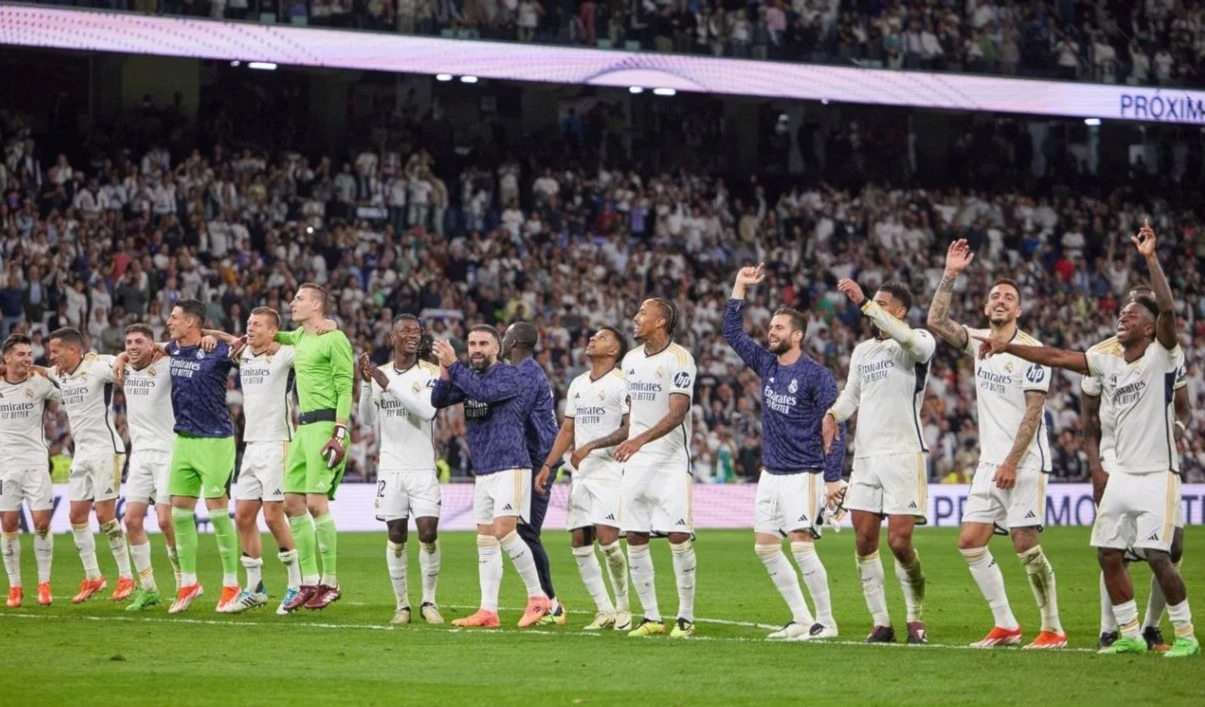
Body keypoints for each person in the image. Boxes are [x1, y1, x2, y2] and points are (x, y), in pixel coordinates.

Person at [975, 221, 1198, 659]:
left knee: (1158, 554)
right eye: (1121, 314)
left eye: (1131, 317)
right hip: (1121, 476)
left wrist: (1151, 260)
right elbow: (1056, 356)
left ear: (1151, 329)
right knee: (1108, 554)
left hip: (1157, 474)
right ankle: (1128, 632)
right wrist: (1007, 347)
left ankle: (1185, 634)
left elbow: (1169, 313)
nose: (1122, 318)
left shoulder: (1163, 356)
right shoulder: (1106, 363)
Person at [926, 239, 1066, 650]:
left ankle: (1052, 628)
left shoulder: (1033, 351)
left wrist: (1010, 461)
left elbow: (1033, 412)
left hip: (1022, 463)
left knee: (1025, 541)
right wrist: (951, 273)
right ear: (987, 308)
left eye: (1009, 297)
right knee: (970, 541)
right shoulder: (980, 340)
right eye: (994, 296)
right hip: (990, 463)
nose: (1000, 300)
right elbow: (937, 321)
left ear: (1019, 310)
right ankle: (1006, 625)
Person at [725, 265, 846, 641]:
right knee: (765, 547)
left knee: (801, 544)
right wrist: (740, 286)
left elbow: (834, 426)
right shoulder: (767, 364)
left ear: (796, 336)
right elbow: (732, 332)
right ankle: (799, 618)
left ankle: (826, 621)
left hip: (804, 473)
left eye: (778, 329)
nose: (770, 333)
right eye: (770, 327)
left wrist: (832, 477)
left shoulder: (816, 375)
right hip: (771, 473)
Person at [823, 280, 933, 644]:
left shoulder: (917, 342)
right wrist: (833, 415)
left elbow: (913, 343)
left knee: (900, 543)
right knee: (864, 540)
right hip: (866, 457)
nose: (875, 310)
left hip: (904, 454)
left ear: (900, 312)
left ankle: (915, 617)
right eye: (875, 304)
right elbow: (851, 395)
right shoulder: (862, 352)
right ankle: (881, 622)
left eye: (884, 305)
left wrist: (866, 302)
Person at [1085, 285, 1191, 650]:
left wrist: (1174, 430)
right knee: (1111, 546)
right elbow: (1088, 419)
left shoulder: (1164, 354)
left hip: (1157, 458)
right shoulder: (1101, 355)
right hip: (1115, 456)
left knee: (1170, 548)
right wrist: (1096, 467)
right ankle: (1111, 629)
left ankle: (1150, 626)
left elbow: (1184, 405)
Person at [431, 327, 551, 628]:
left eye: (483, 343)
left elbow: (484, 393)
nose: (476, 349)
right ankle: (488, 610)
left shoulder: (510, 376)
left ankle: (539, 599)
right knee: (485, 539)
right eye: (471, 343)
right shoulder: (470, 377)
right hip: (483, 469)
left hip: (511, 464)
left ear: (497, 348)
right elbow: (438, 400)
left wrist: (455, 365)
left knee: (504, 532)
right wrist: (445, 369)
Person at [537, 327, 632, 631]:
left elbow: (630, 428)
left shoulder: (621, 383)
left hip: (610, 471)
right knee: (579, 540)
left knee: (608, 541)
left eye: (602, 337)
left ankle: (623, 607)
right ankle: (603, 610)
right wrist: (548, 465)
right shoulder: (578, 384)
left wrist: (591, 445)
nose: (592, 339)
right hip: (581, 475)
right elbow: (567, 430)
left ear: (614, 351)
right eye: (592, 336)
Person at [614, 298, 698, 639]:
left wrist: (639, 440)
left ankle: (685, 617)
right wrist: (629, 439)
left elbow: (677, 412)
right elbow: (633, 408)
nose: (635, 319)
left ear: (660, 321)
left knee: (678, 536)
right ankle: (651, 617)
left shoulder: (680, 359)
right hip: (636, 461)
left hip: (670, 460)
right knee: (635, 536)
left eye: (642, 314)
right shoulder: (631, 359)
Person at [272, 284, 355, 612]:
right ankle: (308, 581)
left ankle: (331, 582)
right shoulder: (300, 337)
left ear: (318, 305)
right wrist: (224, 336)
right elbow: (271, 334)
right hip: (302, 429)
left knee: (317, 504)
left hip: (325, 427)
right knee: (292, 504)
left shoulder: (335, 338)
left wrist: (340, 431)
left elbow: (345, 386)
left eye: (299, 299)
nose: (292, 302)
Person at [357, 315, 443, 625]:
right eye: (405, 331)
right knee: (396, 535)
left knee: (428, 533)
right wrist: (367, 385)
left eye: (416, 331)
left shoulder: (430, 372)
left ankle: (429, 601)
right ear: (392, 337)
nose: (412, 335)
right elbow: (367, 418)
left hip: (422, 467)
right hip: (391, 469)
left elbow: (428, 411)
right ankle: (402, 605)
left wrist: (386, 383)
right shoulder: (379, 374)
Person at [159, 300, 241, 614]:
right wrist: (126, 353)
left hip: (215, 441)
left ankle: (231, 584)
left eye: (174, 316)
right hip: (183, 440)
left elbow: (244, 345)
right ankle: (189, 583)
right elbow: (153, 345)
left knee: (218, 511)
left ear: (192, 322)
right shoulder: (174, 349)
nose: (169, 321)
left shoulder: (218, 350)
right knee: (180, 513)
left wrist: (215, 334)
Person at [223, 307, 303, 615]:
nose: (250, 328)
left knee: (272, 516)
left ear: (273, 331)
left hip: (278, 442)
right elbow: (226, 339)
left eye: (257, 325)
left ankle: (296, 586)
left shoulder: (285, 355)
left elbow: (306, 345)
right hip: (252, 445)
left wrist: (282, 339)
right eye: (248, 324)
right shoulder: (243, 354)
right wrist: (212, 338)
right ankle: (254, 588)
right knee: (243, 516)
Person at [47, 327, 134, 604]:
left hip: (106, 450)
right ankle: (94, 576)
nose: (52, 357)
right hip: (81, 454)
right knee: (76, 515)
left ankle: (126, 577)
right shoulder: (62, 374)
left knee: (106, 516)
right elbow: (39, 371)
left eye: (55, 351)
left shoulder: (97, 365)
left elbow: (124, 361)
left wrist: (121, 356)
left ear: (73, 350)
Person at [112, 324, 179, 611]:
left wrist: (153, 347)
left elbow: (180, 348)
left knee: (164, 520)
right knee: (132, 521)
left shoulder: (167, 365)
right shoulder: (123, 367)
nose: (131, 346)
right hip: (139, 455)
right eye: (128, 342)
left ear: (152, 345)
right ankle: (149, 588)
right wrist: (120, 357)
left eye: (139, 341)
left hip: (168, 452)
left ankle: (184, 582)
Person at [501, 321, 562, 624]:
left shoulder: (524, 371)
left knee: (527, 533)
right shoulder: (529, 370)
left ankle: (551, 602)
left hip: (539, 460)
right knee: (522, 532)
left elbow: (513, 411)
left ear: (512, 341)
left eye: (504, 336)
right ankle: (545, 600)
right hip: (537, 459)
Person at [0, 334, 59, 608]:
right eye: (21, 354)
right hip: (5, 465)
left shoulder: (39, 383)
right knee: (9, 524)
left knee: (42, 523)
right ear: (7, 358)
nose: (27, 359)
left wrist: (46, 371)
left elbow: (69, 388)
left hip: (36, 463)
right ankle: (15, 587)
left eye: (29, 354)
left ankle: (44, 583)